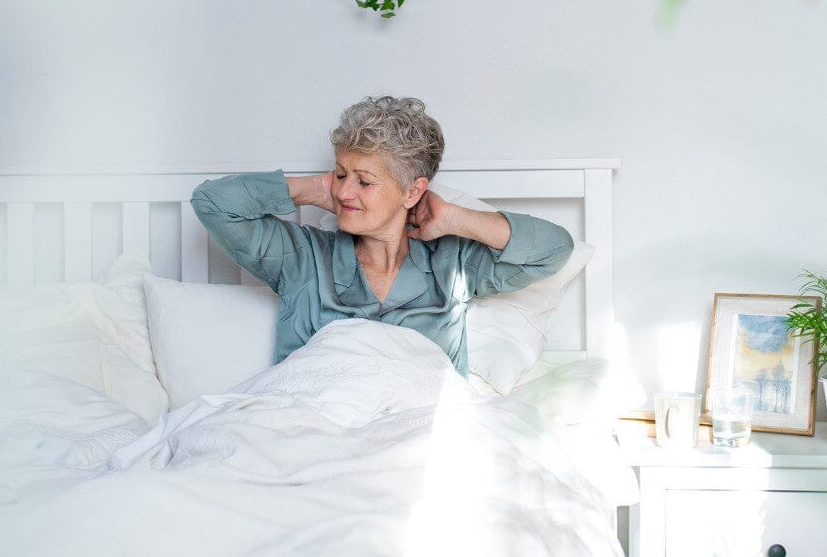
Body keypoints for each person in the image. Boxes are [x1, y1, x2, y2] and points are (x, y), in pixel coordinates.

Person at [190, 95, 573, 375]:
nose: (343, 192)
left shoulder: (454, 264)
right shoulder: (301, 257)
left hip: (415, 436)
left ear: (412, 192)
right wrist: (311, 189)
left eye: (364, 181)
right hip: (314, 427)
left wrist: (453, 217)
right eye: (341, 174)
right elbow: (211, 203)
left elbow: (554, 250)